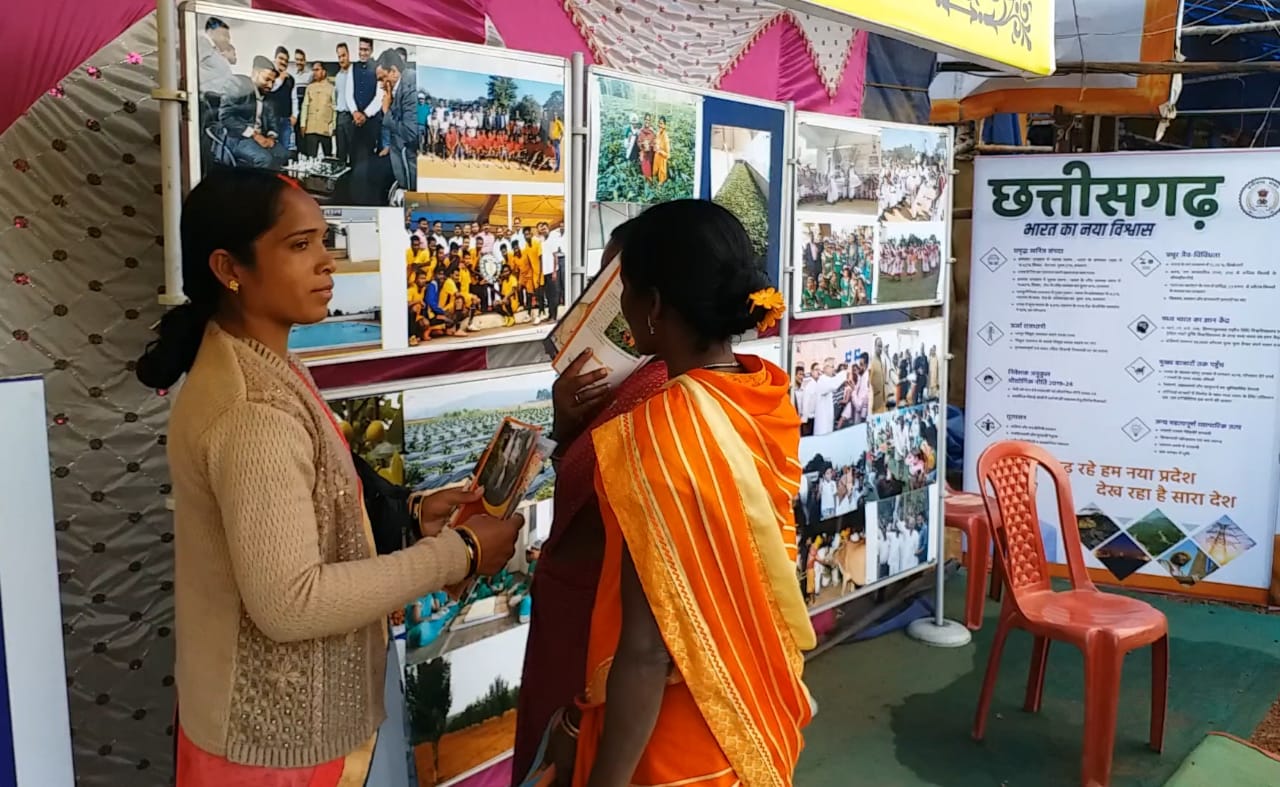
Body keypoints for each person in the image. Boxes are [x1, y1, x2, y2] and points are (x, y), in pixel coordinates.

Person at [136, 169, 521, 787]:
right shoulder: (252, 411)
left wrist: (411, 514)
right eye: (299, 245)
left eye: (323, 239)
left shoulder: (264, 361)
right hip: (273, 747)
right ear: (228, 268)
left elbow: (309, 507)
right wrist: (461, 552)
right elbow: (291, 602)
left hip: (283, 729)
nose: (327, 262)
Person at [523, 200, 816, 787]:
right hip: (754, 695)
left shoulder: (661, 433)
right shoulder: (763, 393)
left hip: (677, 733)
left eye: (623, 289)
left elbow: (647, 651)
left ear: (652, 305)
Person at [218, 57, 288, 170]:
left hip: (261, 139)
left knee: (285, 155)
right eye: (267, 79)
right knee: (264, 159)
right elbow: (226, 117)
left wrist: (270, 138)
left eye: (273, 82)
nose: (270, 85)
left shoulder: (269, 98)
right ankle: (258, 187)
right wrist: (254, 135)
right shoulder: (238, 85)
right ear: (255, 73)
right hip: (238, 138)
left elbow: (273, 123)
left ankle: (273, 186)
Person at [298, 61, 336, 158]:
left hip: (325, 128)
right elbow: (305, 106)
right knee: (311, 157)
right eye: (313, 70)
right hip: (311, 127)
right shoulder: (310, 88)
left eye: (317, 70)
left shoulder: (332, 88)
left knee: (327, 157)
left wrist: (333, 126)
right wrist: (303, 124)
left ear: (324, 71)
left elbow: (335, 108)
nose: (314, 72)